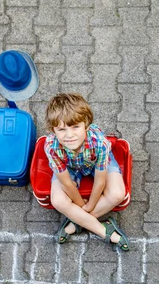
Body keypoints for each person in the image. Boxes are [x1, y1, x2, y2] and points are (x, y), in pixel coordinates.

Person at [44, 93, 130, 251]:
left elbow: (100, 181)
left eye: (75, 127)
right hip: (69, 165)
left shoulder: (100, 143)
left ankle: (77, 222)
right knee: (58, 201)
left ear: (86, 125)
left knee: (118, 194)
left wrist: (89, 206)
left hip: (95, 160)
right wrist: (79, 203)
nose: (69, 135)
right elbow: (66, 183)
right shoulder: (51, 146)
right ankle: (105, 231)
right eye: (61, 129)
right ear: (53, 130)